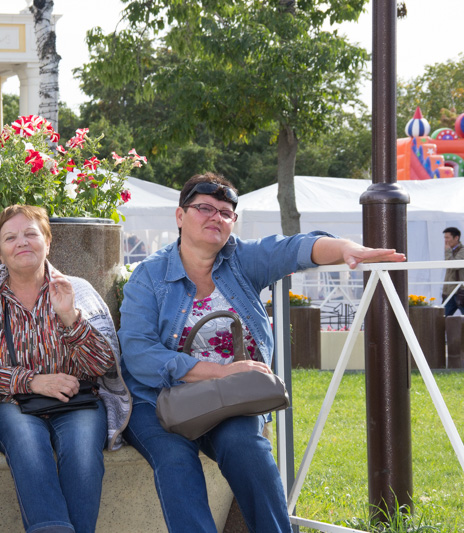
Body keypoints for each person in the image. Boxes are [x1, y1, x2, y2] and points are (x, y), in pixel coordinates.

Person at [118, 173, 406, 533]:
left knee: (247, 446)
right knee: (175, 460)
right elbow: (139, 354)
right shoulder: (149, 276)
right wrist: (219, 371)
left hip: (231, 398)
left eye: (226, 213)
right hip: (157, 399)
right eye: (204, 208)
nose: (216, 218)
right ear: (180, 216)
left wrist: (346, 249)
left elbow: (296, 248)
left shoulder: (241, 259)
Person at [0, 205, 131, 533]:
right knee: (28, 446)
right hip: (7, 405)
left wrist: (70, 318)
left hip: (77, 400)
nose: (21, 242)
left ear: (48, 242)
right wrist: (32, 381)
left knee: (83, 456)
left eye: (30, 233)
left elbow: (103, 366)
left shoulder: (77, 291)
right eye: (10, 237)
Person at [442, 226, 464, 316]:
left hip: (460, 291)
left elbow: (453, 265)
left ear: (456, 238)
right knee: (442, 317)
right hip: (449, 292)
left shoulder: (462, 251)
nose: (445, 241)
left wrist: (447, 251)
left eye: (447, 237)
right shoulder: (451, 251)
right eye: (445, 238)